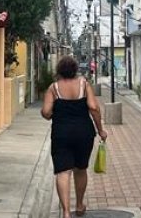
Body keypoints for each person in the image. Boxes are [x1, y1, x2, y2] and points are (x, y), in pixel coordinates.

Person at [42, 55, 108, 218]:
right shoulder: (84, 84)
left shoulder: (53, 88)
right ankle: (79, 205)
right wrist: (101, 130)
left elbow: (46, 112)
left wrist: (51, 114)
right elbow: (93, 108)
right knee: (80, 169)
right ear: (74, 70)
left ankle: (65, 212)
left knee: (63, 172)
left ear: (59, 70)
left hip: (61, 134)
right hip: (83, 133)